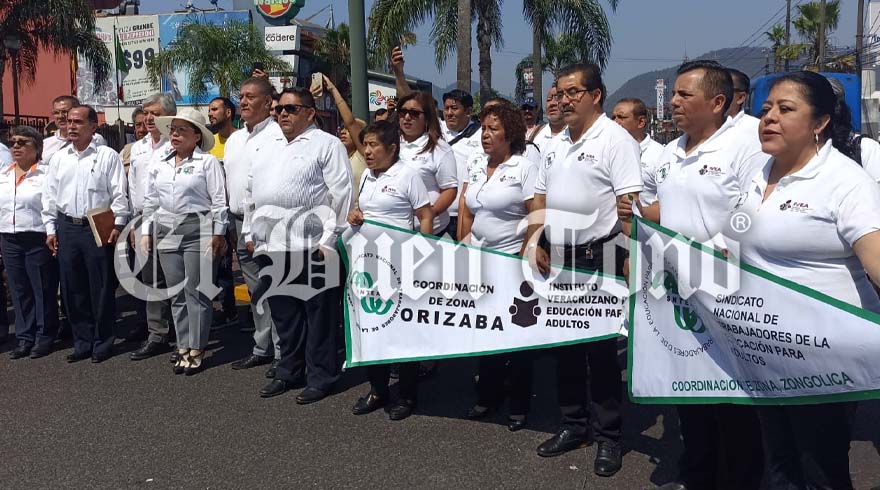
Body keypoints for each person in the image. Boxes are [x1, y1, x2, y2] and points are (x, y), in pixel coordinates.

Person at [618, 60, 767, 490]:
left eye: (685, 94)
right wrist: (636, 215)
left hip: (729, 293)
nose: (675, 102)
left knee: (733, 402)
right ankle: (696, 476)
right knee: (690, 391)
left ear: (717, 102)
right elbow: (660, 210)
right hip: (678, 295)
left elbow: (755, 211)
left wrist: (718, 249)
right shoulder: (670, 152)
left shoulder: (746, 144)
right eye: (674, 94)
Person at [739, 70, 880, 490]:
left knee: (819, 465)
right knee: (779, 458)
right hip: (764, 346)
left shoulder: (845, 181)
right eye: (766, 109)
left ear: (819, 123)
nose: (769, 118)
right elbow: (736, 236)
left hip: (826, 355)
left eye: (785, 109)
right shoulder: (758, 171)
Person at [524, 62, 642, 476]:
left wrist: (630, 255)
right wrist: (535, 240)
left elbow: (629, 204)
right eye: (560, 92)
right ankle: (573, 424)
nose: (564, 99)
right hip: (559, 256)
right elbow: (539, 198)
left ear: (595, 95)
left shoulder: (615, 139)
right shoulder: (552, 141)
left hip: (600, 255)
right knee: (565, 347)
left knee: (601, 352)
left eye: (574, 92)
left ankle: (609, 436)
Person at [242, 87, 352, 402]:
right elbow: (251, 192)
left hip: (313, 245)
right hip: (272, 246)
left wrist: (329, 240)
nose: (283, 114)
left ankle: (321, 376)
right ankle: (289, 371)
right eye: (279, 109)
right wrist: (250, 232)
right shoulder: (266, 146)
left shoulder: (327, 144)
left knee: (319, 317)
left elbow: (342, 194)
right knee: (285, 316)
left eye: (291, 109)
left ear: (310, 112)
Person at [457, 102, 537, 432]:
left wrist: (526, 253)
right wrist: (462, 248)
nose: (485, 135)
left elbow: (537, 213)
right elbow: (466, 210)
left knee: (515, 337)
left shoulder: (524, 168)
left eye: (493, 129)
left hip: (511, 263)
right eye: (484, 129)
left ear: (510, 134)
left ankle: (519, 405)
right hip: (479, 262)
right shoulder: (476, 164)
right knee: (485, 332)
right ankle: (487, 396)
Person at [347, 120, 434, 421]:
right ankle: (378, 389)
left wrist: (423, 254)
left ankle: (407, 395)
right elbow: (366, 211)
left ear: (392, 148)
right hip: (369, 264)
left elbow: (425, 215)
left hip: (400, 263)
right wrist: (356, 215)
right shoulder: (367, 176)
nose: (367, 152)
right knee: (373, 328)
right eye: (365, 145)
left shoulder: (408, 175)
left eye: (373, 145)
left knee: (402, 331)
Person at [141, 108, 227, 376]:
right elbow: (151, 201)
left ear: (197, 136)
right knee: (176, 292)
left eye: (182, 130)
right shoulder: (160, 162)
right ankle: (183, 344)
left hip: (198, 227)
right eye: (173, 130)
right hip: (166, 227)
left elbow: (219, 201)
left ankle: (197, 347)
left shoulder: (207, 163)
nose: (175, 135)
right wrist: (146, 231)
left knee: (197, 292)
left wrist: (219, 232)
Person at [42, 105, 129, 363]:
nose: (71, 126)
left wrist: (118, 224)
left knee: (100, 286)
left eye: (78, 122)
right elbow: (50, 197)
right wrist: (50, 229)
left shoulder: (106, 156)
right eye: (69, 121)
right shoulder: (59, 158)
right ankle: (83, 341)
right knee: (72, 287)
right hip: (67, 227)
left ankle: (103, 341)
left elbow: (119, 193)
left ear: (93, 126)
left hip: (96, 226)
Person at [225, 77, 283, 375]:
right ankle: (262, 347)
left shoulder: (277, 136)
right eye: (241, 96)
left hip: (268, 223)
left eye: (250, 96)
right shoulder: (235, 139)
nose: (244, 101)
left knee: (276, 288)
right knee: (256, 290)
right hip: (239, 222)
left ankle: (283, 352)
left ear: (268, 101)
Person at [0, 126, 59, 358]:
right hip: (9, 237)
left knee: (42, 288)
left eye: (22, 142)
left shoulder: (45, 174)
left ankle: (45, 335)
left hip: (36, 237)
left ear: (37, 147)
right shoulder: (4, 174)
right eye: (13, 142)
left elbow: (51, 206)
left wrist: (51, 232)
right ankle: (25, 336)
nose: (16, 146)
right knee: (19, 289)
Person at [127, 92, 175, 361]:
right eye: (146, 113)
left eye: (155, 113)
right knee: (151, 278)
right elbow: (133, 186)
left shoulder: (178, 143)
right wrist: (135, 223)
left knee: (176, 277)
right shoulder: (138, 147)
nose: (148, 118)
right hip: (143, 220)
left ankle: (184, 332)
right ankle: (157, 333)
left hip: (171, 219)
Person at [396, 91, 458, 236]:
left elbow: (449, 189)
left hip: (432, 232)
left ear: (427, 117)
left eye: (414, 113)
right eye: (403, 112)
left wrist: (430, 213)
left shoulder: (440, 148)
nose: (407, 117)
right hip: (396, 231)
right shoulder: (391, 143)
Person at [206, 96, 239, 330]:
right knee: (219, 265)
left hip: (238, 212)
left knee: (241, 265)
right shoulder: (208, 144)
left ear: (228, 113)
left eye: (215, 109)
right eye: (209, 110)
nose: (210, 114)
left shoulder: (239, 140)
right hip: (216, 214)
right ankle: (225, 309)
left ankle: (246, 312)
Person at [313, 73, 368, 197]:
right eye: (342, 128)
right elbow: (315, 132)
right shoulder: (336, 155)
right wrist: (310, 100)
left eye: (349, 130)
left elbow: (350, 122)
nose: (343, 132)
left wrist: (332, 88)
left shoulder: (363, 156)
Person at [441, 89, 481, 239]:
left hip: (466, 215)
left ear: (468, 112)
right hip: (437, 215)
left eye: (454, 108)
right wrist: (399, 76)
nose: (449, 113)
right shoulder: (437, 128)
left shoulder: (481, 135)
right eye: (446, 108)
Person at [611, 97, 665, 205]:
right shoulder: (607, 151)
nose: (615, 122)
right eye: (613, 117)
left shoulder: (661, 155)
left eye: (621, 117)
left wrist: (643, 211)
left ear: (641, 122)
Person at [42, 96, 106, 162]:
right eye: (56, 112)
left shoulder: (95, 139)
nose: (60, 116)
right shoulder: (45, 144)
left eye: (65, 111)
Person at [726, 68, 762, 153]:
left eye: (723, 90)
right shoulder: (698, 127)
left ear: (740, 98)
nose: (713, 94)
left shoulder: (757, 131)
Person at [531, 86, 566, 153]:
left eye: (557, 98)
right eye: (549, 100)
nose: (552, 104)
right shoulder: (537, 134)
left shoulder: (576, 135)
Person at [120, 107, 147, 173]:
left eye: (146, 124)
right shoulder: (126, 151)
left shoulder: (160, 151)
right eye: (138, 125)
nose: (142, 129)